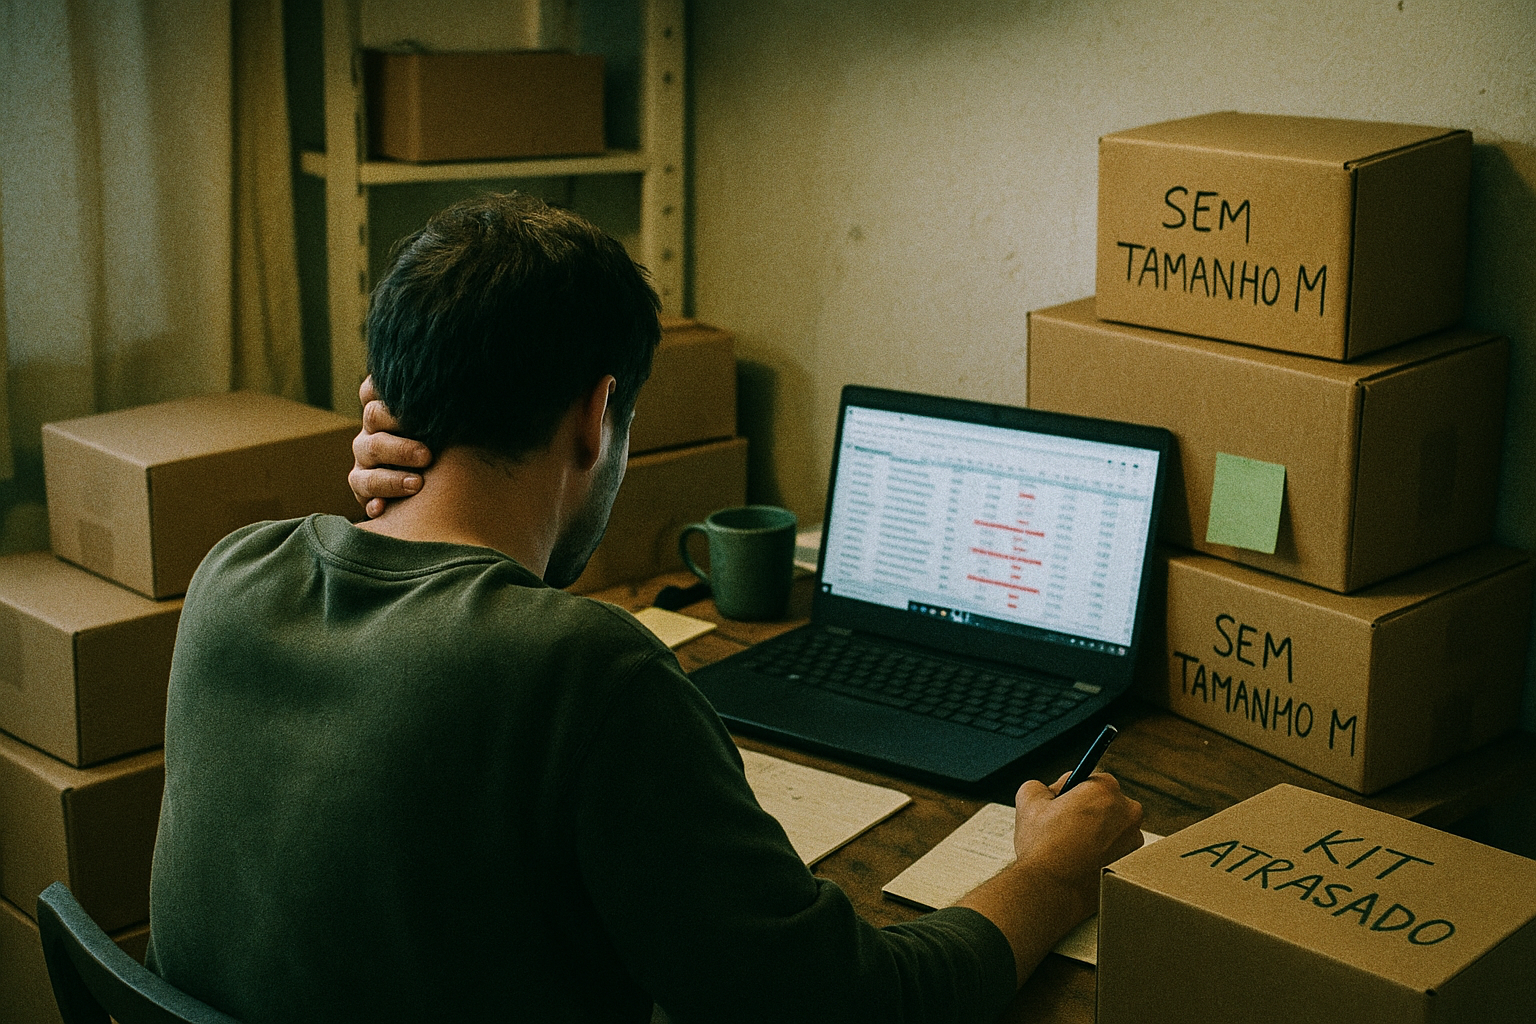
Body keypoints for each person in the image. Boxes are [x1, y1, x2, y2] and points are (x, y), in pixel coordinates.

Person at [147, 192, 1143, 1024]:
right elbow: (852, 1008)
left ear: (388, 394)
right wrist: (1054, 873)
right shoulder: (583, 670)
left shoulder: (233, 576)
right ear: (596, 412)